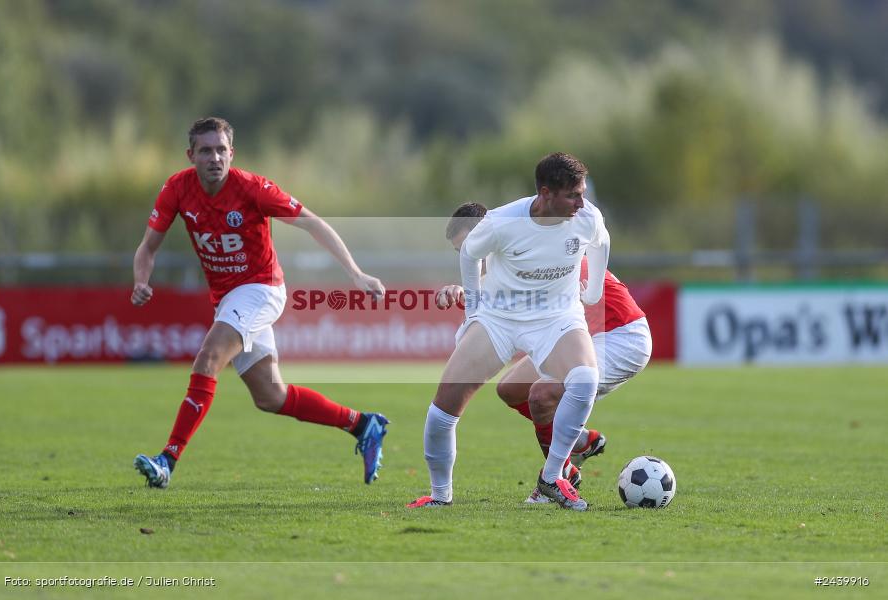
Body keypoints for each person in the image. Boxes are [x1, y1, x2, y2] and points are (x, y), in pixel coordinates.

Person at [131, 117, 389, 488]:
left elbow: (312, 223)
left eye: (221, 150)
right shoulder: (177, 189)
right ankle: (363, 424)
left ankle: (167, 460)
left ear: (232, 153)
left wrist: (355, 273)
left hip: (262, 289)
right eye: (205, 151)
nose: (214, 158)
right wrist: (141, 280)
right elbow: (147, 247)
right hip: (228, 299)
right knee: (271, 396)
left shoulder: (252, 188)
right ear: (191, 156)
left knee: (208, 358)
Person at [408, 152, 609, 511]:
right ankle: (440, 498)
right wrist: (473, 314)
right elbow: (469, 253)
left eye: (581, 194)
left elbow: (602, 241)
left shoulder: (586, 218)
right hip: (499, 319)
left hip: (556, 317)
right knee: (442, 411)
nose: (582, 202)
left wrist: (592, 291)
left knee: (584, 380)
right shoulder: (502, 221)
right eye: (573, 195)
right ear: (546, 194)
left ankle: (552, 478)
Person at [437, 202, 652, 504]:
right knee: (510, 390)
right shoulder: (519, 254)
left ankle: (553, 480)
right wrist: (463, 291)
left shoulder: (531, 248)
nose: (469, 256)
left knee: (540, 396)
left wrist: (467, 292)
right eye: (461, 252)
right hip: (590, 336)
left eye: (471, 248)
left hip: (622, 336)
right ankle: (575, 445)